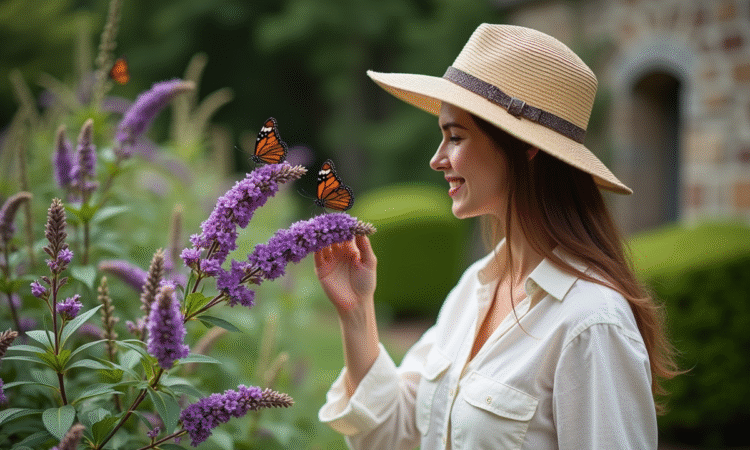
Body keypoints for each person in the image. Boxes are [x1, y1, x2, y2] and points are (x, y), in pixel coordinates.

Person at [314, 24, 678, 449]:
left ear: (527, 148)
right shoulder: (475, 288)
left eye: (455, 137)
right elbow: (392, 433)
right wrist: (356, 311)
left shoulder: (591, 323)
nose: (437, 159)